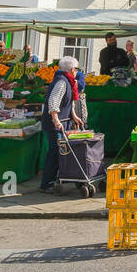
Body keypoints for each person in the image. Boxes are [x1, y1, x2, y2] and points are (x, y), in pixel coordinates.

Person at [39, 56, 87, 193]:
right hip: (55, 123)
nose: (78, 71)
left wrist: (74, 115)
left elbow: (67, 102)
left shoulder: (69, 81)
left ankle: (59, 177)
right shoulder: (62, 82)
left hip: (63, 121)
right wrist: (55, 120)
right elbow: (53, 102)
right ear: (72, 70)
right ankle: (46, 183)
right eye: (77, 69)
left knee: (62, 151)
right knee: (55, 151)